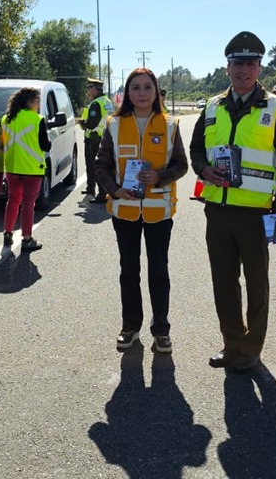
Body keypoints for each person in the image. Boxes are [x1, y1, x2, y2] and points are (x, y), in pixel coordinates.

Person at [189, 31, 276, 373]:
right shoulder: (212, 105)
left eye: (251, 64)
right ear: (227, 68)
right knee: (223, 281)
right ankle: (231, 343)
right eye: (238, 64)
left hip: (256, 211)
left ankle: (253, 347)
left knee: (256, 282)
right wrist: (204, 169)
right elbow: (196, 150)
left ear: (260, 69)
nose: (243, 70)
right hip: (218, 210)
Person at [94, 68, 188, 353]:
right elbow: (101, 165)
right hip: (125, 211)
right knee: (129, 271)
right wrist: (113, 188)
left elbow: (181, 165)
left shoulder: (170, 124)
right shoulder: (113, 124)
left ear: (156, 91)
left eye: (148, 87)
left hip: (159, 212)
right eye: (136, 88)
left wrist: (160, 176)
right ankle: (130, 327)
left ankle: (161, 330)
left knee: (159, 271)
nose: (143, 93)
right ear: (128, 93)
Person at [1, 87, 52, 252]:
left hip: (12, 167)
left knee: (13, 200)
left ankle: (7, 233)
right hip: (32, 168)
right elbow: (45, 145)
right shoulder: (37, 119)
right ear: (29, 102)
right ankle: (27, 239)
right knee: (29, 204)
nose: (38, 105)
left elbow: (4, 141)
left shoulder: (5, 119)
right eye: (37, 102)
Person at [78, 78, 113, 203]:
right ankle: (91, 189)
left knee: (94, 166)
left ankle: (102, 194)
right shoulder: (107, 101)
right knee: (102, 165)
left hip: (95, 139)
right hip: (105, 138)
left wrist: (83, 124)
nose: (88, 91)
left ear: (94, 88)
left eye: (89, 88)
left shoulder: (96, 103)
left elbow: (92, 124)